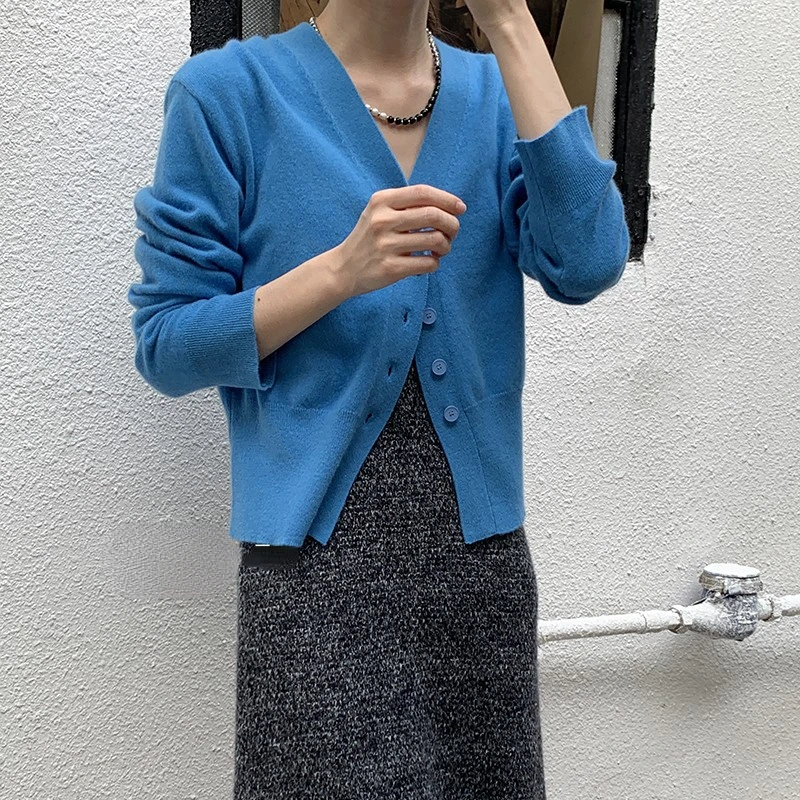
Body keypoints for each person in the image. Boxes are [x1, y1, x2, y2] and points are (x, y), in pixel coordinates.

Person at [128, 1, 630, 796]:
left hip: (481, 574)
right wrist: (339, 273)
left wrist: (510, 21)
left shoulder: (498, 95)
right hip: (314, 578)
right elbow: (167, 343)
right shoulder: (225, 94)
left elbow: (589, 259)